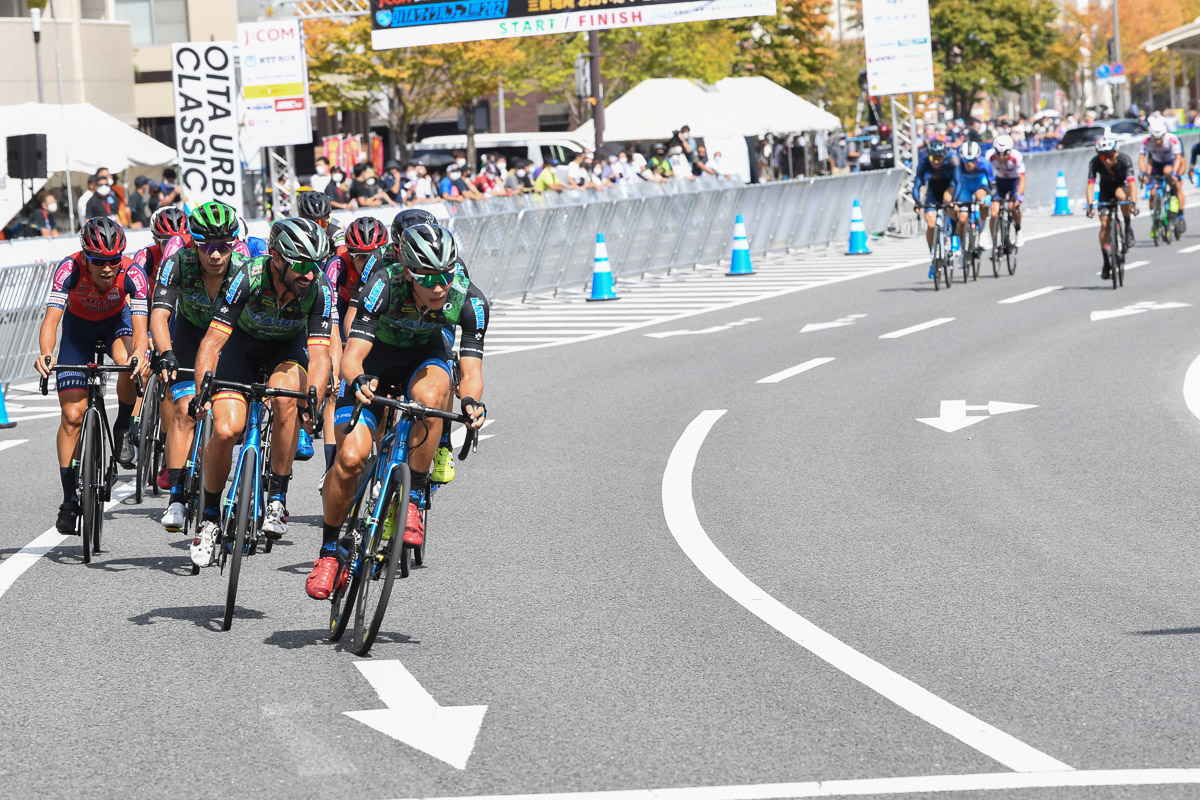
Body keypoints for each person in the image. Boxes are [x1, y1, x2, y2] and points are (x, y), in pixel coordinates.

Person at [308, 223, 488, 600]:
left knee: (434, 392)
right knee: (351, 459)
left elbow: (471, 374)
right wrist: (357, 380)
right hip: (375, 363)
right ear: (408, 272)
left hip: (424, 361)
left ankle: (416, 500)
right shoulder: (384, 283)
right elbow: (353, 356)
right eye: (428, 277)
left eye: (445, 275)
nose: (439, 286)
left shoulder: (468, 300)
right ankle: (328, 553)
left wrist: (471, 402)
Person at [187, 218, 335, 566]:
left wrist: (312, 399)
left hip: (288, 349)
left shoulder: (319, 290)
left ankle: (278, 500)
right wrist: (201, 391)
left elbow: (319, 354)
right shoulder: (247, 276)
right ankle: (209, 517)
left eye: (315, 265)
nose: (309, 275)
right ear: (277, 258)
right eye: (300, 265)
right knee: (225, 430)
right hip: (242, 347)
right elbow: (212, 341)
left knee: (286, 399)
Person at [35, 218, 150, 533]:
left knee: (131, 362)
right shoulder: (69, 269)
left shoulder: (133, 274)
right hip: (78, 331)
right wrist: (46, 353)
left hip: (117, 324)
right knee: (72, 417)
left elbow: (141, 330)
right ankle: (69, 500)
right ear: (85, 256)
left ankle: (124, 423)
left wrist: (140, 354)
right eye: (99, 261)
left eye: (114, 260)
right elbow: (51, 321)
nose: (108, 268)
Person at [151, 203, 241, 532]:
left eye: (223, 247)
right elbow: (160, 315)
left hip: (231, 340)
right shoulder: (177, 263)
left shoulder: (244, 267)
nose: (215, 255)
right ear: (193, 243)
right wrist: (166, 353)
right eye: (206, 246)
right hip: (189, 336)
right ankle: (176, 497)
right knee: (185, 411)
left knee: (231, 421)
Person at [1086, 137, 1139, 281]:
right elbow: (1090, 184)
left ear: (1116, 153)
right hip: (1105, 191)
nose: (1106, 160)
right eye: (1103, 156)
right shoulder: (1095, 162)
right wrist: (1090, 204)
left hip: (1121, 188)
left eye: (1109, 155)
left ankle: (1127, 226)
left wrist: (1133, 202)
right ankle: (1106, 261)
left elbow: (1133, 184)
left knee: (1120, 195)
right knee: (1104, 224)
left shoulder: (1124, 160)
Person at [911, 139, 959, 279]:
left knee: (948, 200)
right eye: (933, 158)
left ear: (944, 155)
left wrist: (955, 200)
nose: (936, 162)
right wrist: (917, 202)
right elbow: (917, 185)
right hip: (933, 190)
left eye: (939, 158)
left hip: (950, 186)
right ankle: (934, 256)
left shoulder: (952, 159)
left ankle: (954, 235)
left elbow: (959, 181)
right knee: (931, 224)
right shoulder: (924, 162)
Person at [1138, 117, 1186, 233]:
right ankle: (1155, 220)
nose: (1158, 142)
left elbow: (1179, 158)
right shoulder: (1146, 141)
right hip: (1156, 164)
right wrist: (1142, 172)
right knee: (1153, 193)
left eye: (1160, 138)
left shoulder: (1172, 139)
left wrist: (1175, 173)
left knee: (1171, 178)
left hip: (1170, 163)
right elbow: (1142, 157)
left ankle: (1178, 211)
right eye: (1155, 139)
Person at [987, 135, 1026, 249]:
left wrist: (1018, 197)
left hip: (1014, 182)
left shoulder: (1016, 157)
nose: (1001, 157)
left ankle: (1018, 229)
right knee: (994, 213)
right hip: (999, 181)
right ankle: (994, 242)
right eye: (998, 153)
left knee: (1013, 207)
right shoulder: (990, 156)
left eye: (1005, 154)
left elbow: (1022, 180)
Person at [952, 141, 992, 251]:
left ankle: (983, 231)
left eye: (973, 160)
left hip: (979, 183)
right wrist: (954, 201)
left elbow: (992, 184)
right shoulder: (957, 165)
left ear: (978, 158)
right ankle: (961, 246)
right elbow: (952, 184)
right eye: (966, 160)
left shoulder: (985, 164)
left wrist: (989, 197)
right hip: (964, 186)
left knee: (981, 198)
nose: (969, 164)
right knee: (963, 218)